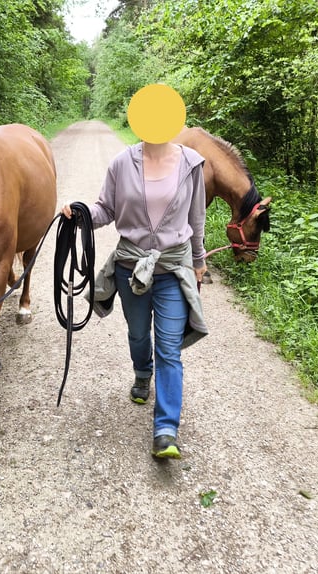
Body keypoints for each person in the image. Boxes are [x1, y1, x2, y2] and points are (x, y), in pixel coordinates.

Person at [61, 84, 208, 459]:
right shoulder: (121, 164)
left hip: (173, 268)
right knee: (139, 334)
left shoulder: (192, 163)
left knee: (170, 347)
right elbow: (104, 210)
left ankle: (166, 429)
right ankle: (142, 373)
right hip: (129, 268)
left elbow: (196, 218)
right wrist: (79, 214)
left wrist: (199, 259)